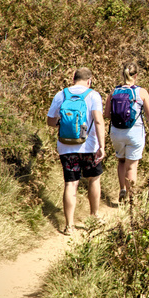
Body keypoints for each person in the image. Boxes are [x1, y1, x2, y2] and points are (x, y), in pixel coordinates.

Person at [46, 67, 105, 235]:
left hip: (66, 146)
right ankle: (94, 216)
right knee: (94, 180)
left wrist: (64, 123)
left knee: (71, 183)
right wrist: (102, 146)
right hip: (89, 146)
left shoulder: (61, 95)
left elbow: (50, 121)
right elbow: (99, 122)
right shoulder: (93, 95)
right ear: (89, 81)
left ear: (73, 79)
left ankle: (69, 225)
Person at [104, 62, 149, 205]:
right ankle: (131, 197)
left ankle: (122, 188)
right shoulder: (142, 92)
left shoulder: (114, 92)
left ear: (123, 74)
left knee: (121, 161)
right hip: (135, 132)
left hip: (116, 132)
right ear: (136, 75)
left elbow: (106, 114)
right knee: (132, 166)